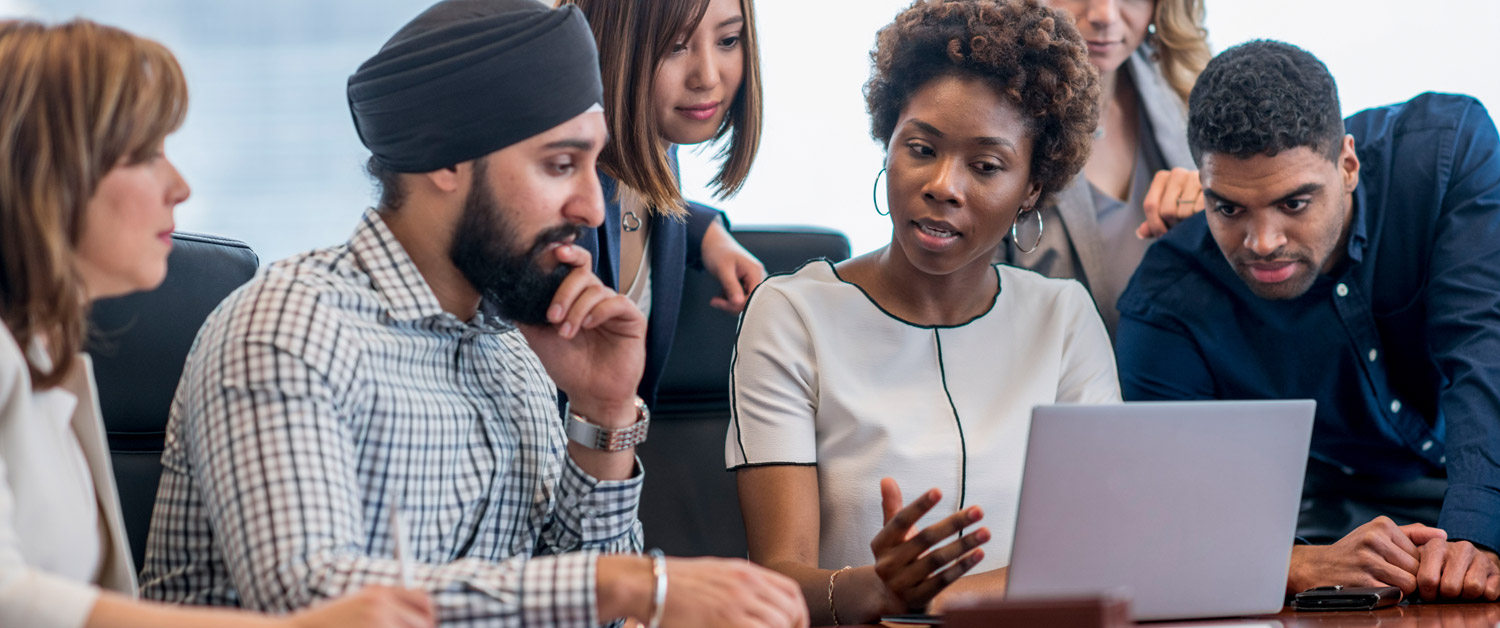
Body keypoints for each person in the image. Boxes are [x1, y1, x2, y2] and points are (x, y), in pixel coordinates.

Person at [136, 2, 808, 626]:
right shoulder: (292, 327)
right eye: (559, 165)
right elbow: (316, 598)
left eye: (591, 164)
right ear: (448, 163)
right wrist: (628, 585)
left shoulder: (515, 353)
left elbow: (595, 617)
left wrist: (603, 415)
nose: (593, 209)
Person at [0, 18, 434, 628]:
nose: (180, 186)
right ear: (47, 174)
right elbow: (10, 598)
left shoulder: (44, 352)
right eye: (146, 155)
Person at [728, 0, 1119, 623]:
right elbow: (775, 580)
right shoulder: (792, 315)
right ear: (888, 143)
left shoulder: (1064, 319)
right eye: (920, 148)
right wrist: (873, 590)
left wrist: (938, 597)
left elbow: (1099, 556)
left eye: (986, 166)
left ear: (1033, 188)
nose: (943, 184)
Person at [1115, 40, 1500, 601]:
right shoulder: (1167, 303)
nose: (1263, 243)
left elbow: (1484, 345)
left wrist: (1475, 528)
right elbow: (1177, 509)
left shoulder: (1445, 154)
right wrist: (1289, 561)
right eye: (1229, 208)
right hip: (1337, 514)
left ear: (1347, 164)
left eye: (1294, 203)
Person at [558, 0, 767, 407]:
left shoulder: (656, 146)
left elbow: (634, 199)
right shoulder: (558, 206)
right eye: (672, 46)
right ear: (607, 42)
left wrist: (705, 231)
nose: (707, 77)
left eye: (728, 40)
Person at [1001, 0, 1210, 335]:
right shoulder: (986, 109)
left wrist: (1219, 208)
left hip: (1174, 377)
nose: (1105, 16)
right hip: (1044, 380)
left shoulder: (1186, 86)